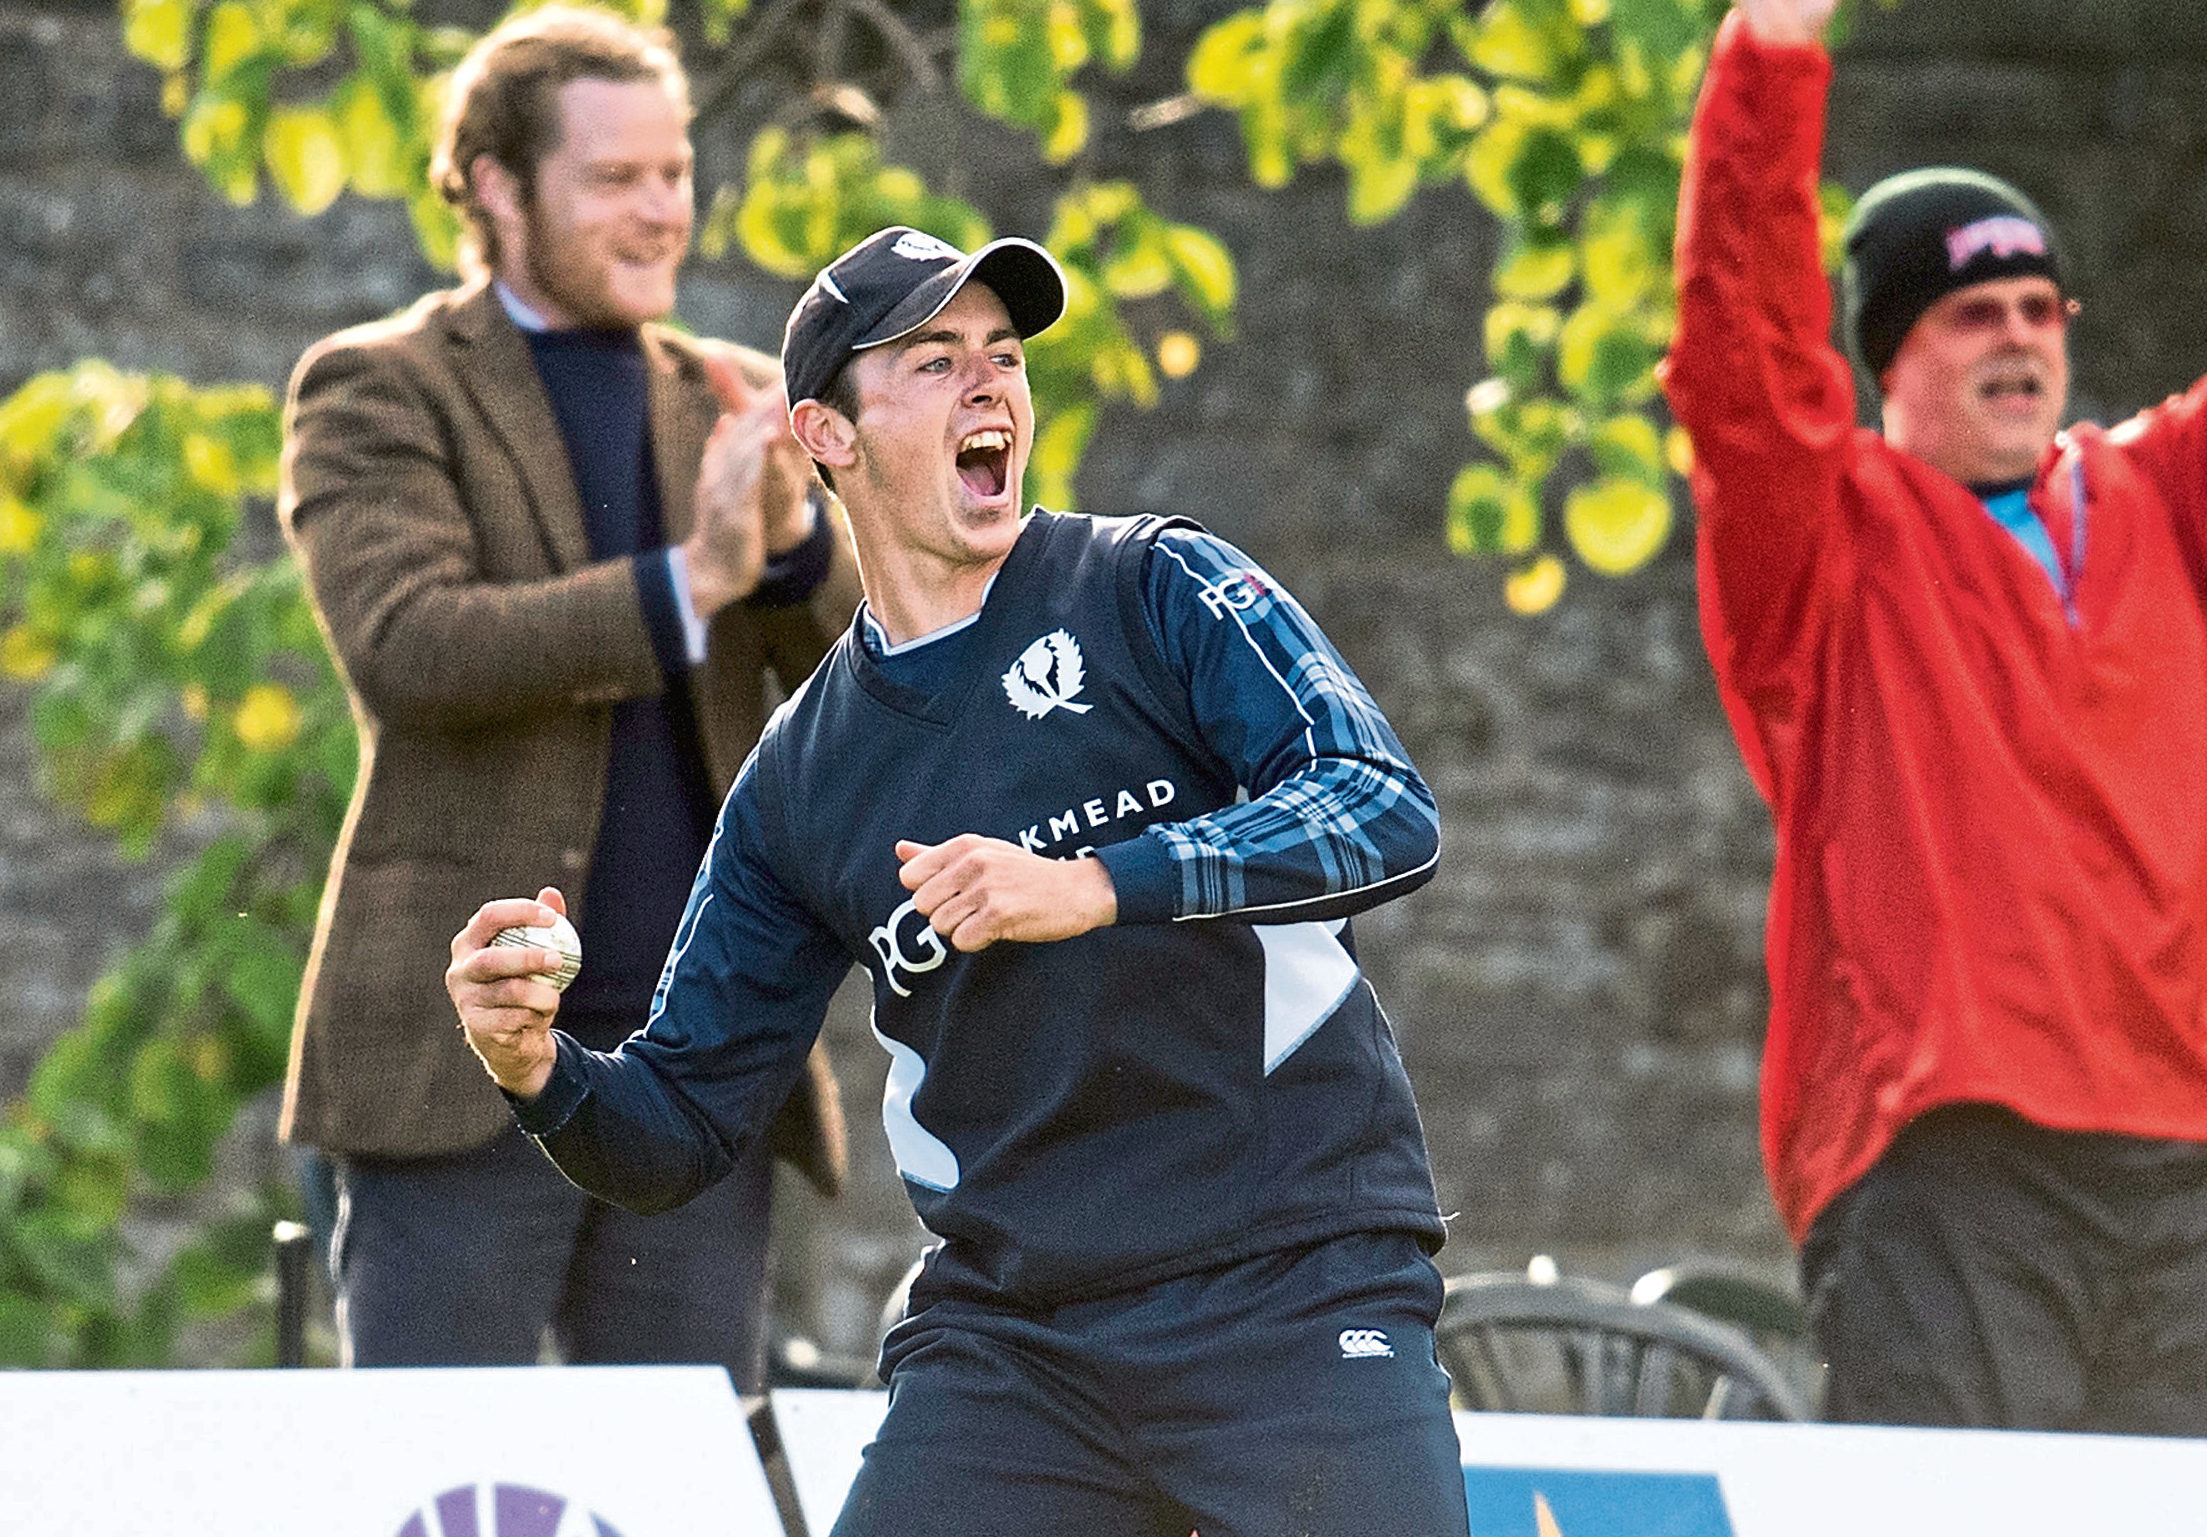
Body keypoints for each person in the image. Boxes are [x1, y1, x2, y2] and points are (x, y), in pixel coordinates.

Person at [447, 225, 1470, 1536]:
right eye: (934, 361)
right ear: (828, 434)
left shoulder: (1158, 583)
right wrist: (532, 1062)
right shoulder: (800, 779)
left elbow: (1382, 806)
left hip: (1294, 1291)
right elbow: (677, 1125)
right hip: (1015, 1348)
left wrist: (1098, 881)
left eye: (1002, 355)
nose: (989, 384)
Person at [277, 5, 859, 1386]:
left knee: (678, 1491)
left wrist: (787, 547)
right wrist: (691, 579)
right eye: (617, 179)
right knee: (438, 1486)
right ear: (493, 186)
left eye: (676, 173)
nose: (664, 212)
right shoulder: (377, 385)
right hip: (463, 1067)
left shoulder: (732, 397)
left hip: (695, 1067)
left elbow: (870, 676)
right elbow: (411, 647)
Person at [1667, 0, 2207, 1433]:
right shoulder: (1830, 534)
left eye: (2042, 310)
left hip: (2186, 1159)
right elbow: (1741, 360)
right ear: (1892, 357)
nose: (2020, 340)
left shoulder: (2158, 496)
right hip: (1950, 1158)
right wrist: (1771, 58)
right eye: (1975, 314)